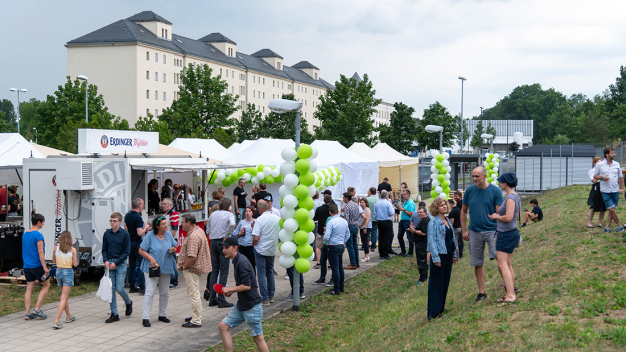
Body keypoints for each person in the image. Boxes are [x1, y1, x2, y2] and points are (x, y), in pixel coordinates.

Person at [461, 166, 503, 303]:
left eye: (477, 176)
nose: (474, 179)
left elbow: (499, 213)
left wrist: (499, 229)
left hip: (492, 230)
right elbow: (463, 211)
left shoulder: (495, 191)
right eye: (473, 176)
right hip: (474, 231)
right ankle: (481, 292)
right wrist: (464, 230)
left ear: (485, 176)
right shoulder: (469, 191)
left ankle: (510, 286)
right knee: (477, 262)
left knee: (500, 258)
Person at [218, 237, 269, 352]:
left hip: (252, 306)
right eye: (223, 248)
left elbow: (247, 286)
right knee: (223, 326)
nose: (223, 250)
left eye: (226, 248)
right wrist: (232, 290)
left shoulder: (241, 262)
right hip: (242, 304)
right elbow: (243, 285)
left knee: (258, 339)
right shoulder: (237, 260)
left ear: (235, 248)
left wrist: (229, 288)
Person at [488, 173, 521, 305]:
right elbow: (515, 217)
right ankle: (510, 290)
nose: (499, 184)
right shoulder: (514, 196)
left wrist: (496, 216)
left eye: (500, 182)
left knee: (502, 264)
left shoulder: (511, 198)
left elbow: (508, 217)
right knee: (507, 264)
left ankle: (511, 294)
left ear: (505, 183)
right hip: (509, 233)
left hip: (506, 234)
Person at [139, 216, 178, 327]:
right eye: (163, 224)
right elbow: (141, 250)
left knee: (165, 292)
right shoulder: (150, 236)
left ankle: (162, 314)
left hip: (166, 266)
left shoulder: (169, 235)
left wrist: (173, 250)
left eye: (166, 223)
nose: (166, 226)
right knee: (150, 292)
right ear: (157, 226)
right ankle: (145, 317)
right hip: (152, 267)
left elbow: (174, 248)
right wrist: (151, 258)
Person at [178, 214, 212, 327]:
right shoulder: (199, 230)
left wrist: (183, 266)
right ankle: (196, 315)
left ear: (188, 223)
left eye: (182, 222)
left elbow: (192, 257)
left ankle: (196, 320)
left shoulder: (193, 237)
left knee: (194, 294)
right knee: (194, 292)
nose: (180, 224)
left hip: (191, 269)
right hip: (197, 268)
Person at [427, 198, 458, 320]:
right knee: (436, 284)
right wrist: (435, 258)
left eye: (445, 204)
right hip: (439, 256)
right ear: (436, 208)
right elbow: (432, 241)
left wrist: (454, 254)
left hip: (448, 254)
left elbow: (452, 238)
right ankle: (434, 312)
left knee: (445, 282)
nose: (444, 206)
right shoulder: (433, 222)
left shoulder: (447, 221)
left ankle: (441, 307)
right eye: (441, 205)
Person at [205, 198, 236, 308]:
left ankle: (212, 298)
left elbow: (208, 226)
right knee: (223, 271)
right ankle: (221, 299)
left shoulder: (213, 214)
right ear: (229, 206)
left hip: (213, 241)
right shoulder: (229, 215)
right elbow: (232, 224)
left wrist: (210, 232)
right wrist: (227, 235)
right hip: (223, 241)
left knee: (214, 271)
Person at [102, 212, 133, 323]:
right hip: (110, 262)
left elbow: (127, 251)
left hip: (121, 263)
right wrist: (105, 260)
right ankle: (114, 313)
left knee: (119, 288)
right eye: (111, 220)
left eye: (114, 221)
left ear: (120, 222)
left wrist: (117, 262)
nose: (112, 223)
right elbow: (104, 249)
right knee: (111, 289)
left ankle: (128, 302)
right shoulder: (107, 234)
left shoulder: (125, 234)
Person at [23, 213, 51, 320]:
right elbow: (40, 252)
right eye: (43, 222)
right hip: (37, 265)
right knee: (46, 285)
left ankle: (28, 313)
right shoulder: (38, 235)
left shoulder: (25, 235)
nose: (43, 224)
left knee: (29, 288)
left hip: (27, 266)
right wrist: (44, 266)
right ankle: (37, 309)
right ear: (38, 222)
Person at [252, 200, 280, 305]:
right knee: (270, 272)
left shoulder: (259, 219)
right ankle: (271, 295)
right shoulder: (277, 218)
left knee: (261, 273)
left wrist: (253, 245)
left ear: (260, 208)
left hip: (260, 249)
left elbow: (256, 237)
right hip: (272, 249)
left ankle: (264, 298)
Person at [592, 147, 624, 233]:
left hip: (615, 190)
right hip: (605, 190)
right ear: (607, 154)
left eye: (614, 153)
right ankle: (620, 226)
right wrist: (602, 178)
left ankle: (607, 227)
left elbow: (620, 177)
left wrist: (621, 188)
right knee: (610, 209)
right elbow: (595, 176)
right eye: (612, 153)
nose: (614, 154)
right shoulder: (600, 164)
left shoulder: (617, 164)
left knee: (612, 209)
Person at [52, 231, 78, 329]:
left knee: (64, 296)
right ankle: (57, 321)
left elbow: (53, 261)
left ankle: (69, 316)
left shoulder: (56, 248)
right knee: (64, 297)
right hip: (68, 272)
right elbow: (75, 264)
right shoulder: (73, 250)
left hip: (58, 271)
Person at [124, 198, 150, 294]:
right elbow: (139, 233)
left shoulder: (127, 215)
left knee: (132, 265)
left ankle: (132, 287)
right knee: (142, 264)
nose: (143, 206)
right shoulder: (138, 217)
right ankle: (142, 288)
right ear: (139, 205)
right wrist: (146, 228)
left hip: (129, 242)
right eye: (143, 204)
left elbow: (125, 228)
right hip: (138, 243)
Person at [324, 204, 351, 295]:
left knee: (335, 268)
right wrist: (342, 241)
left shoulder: (330, 222)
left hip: (333, 246)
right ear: (338, 212)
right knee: (340, 267)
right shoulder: (343, 221)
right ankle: (341, 286)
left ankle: (336, 289)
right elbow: (348, 234)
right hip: (341, 245)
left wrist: (326, 237)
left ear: (329, 213)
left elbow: (327, 236)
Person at [312, 195, 332, 285]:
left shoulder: (319, 209)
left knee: (318, 247)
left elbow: (315, 218)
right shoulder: (332, 209)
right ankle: (329, 264)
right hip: (330, 233)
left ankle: (319, 262)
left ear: (323, 200)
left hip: (321, 232)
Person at [343, 192, 365, 270]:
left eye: (343, 197)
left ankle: (353, 263)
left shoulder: (347, 206)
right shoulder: (356, 205)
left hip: (350, 226)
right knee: (355, 245)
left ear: (346, 198)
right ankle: (356, 262)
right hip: (356, 225)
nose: (343, 199)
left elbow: (347, 219)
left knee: (350, 245)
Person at [161, 198, 180, 289]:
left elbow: (174, 229)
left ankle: (174, 281)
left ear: (170, 205)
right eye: (163, 204)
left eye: (165, 204)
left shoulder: (173, 214)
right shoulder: (166, 214)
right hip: (166, 240)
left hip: (171, 241)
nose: (163, 206)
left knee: (172, 260)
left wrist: (169, 240)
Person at [409, 207, 430, 285]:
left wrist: (414, 231)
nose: (419, 214)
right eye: (418, 212)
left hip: (422, 244)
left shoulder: (426, 221)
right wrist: (414, 229)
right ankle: (422, 278)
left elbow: (424, 233)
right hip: (419, 243)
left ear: (425, 213)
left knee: (422, 262)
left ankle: (423, 279)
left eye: (421, 212)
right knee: (420, 261)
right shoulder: (422, 221)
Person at [374, 190, 395, 260]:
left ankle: (381, 253)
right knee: (386, 238)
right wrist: (393, 209)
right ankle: (385, 254)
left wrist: (378, 219)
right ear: (387, 197)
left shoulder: (377, 203)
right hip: (386, 221)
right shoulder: (388, 203)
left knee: (381, 238)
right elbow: (392, 213)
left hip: (379, 221)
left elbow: (375, 214)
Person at [587, 156, 606, 228]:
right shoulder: (591, 171)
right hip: (596, 188)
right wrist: (601, 177)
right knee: (593, 206)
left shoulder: (603, 170)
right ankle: (589, 223)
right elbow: (594, 180)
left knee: (603, 206)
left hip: (603, 187)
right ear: (594, 163)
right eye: (598, 162)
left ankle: (600, 223)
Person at [397, 189, 416, 257]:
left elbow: (412, 214)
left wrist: (404, 210)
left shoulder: (410, 203)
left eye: (404, 195)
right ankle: (403, 251)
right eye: (402, 195)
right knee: (399, 236)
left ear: (408, 195)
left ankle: (410, 253)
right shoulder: (405, 202)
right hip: (402, 221)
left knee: (409, 237)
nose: (403, 196)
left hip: (408, 221)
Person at [359, 198, 372, 262]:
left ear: (365, 203)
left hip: (366, 227)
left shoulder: (367, 209)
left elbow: (367, 219)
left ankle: (367, 256)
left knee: (365, 241)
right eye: (360, 202)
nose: (361, 204)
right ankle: (365, 255)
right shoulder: (362, 209)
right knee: (363, 241)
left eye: (362, 202)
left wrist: (365, 227)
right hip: (362, 227)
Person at [452, 192, 464, 258]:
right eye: (454, 196)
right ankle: (460, 253)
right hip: (459, 224)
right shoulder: (458, 203)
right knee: (459, 239)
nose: (455, 197)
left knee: (459, 240)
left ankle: (460, 254)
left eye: (456, 196)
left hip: (459, 224)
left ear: (460, 196)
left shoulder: (460, 204)